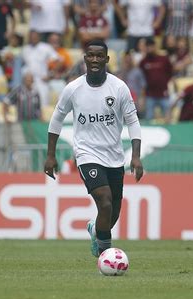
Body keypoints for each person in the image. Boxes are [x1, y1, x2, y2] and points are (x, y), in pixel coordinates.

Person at [44, 39, 143, 258]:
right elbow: (56, 120)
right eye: (91, 55)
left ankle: (94, 228)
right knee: (105, 201)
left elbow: (133, 122)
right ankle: (105, 255)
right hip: (87, 154)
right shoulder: (73, 89)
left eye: (100, 56)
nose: (95, 59)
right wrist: (50, 155)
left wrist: (135, 156)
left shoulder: (119, 88)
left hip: (115, 156)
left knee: (113, 210)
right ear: (85, 58)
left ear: (107, 59)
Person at [139, 38, 173, 120]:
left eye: (151, 46)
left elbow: (170, 72)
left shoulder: (164, 59)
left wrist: (164, 82)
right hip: (150, 95)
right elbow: (142, 79)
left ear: (155, 47)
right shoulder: (143, 62)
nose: (149, 48)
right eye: (147, 47)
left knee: (168, 118)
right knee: (149, 118)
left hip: (163, 93)